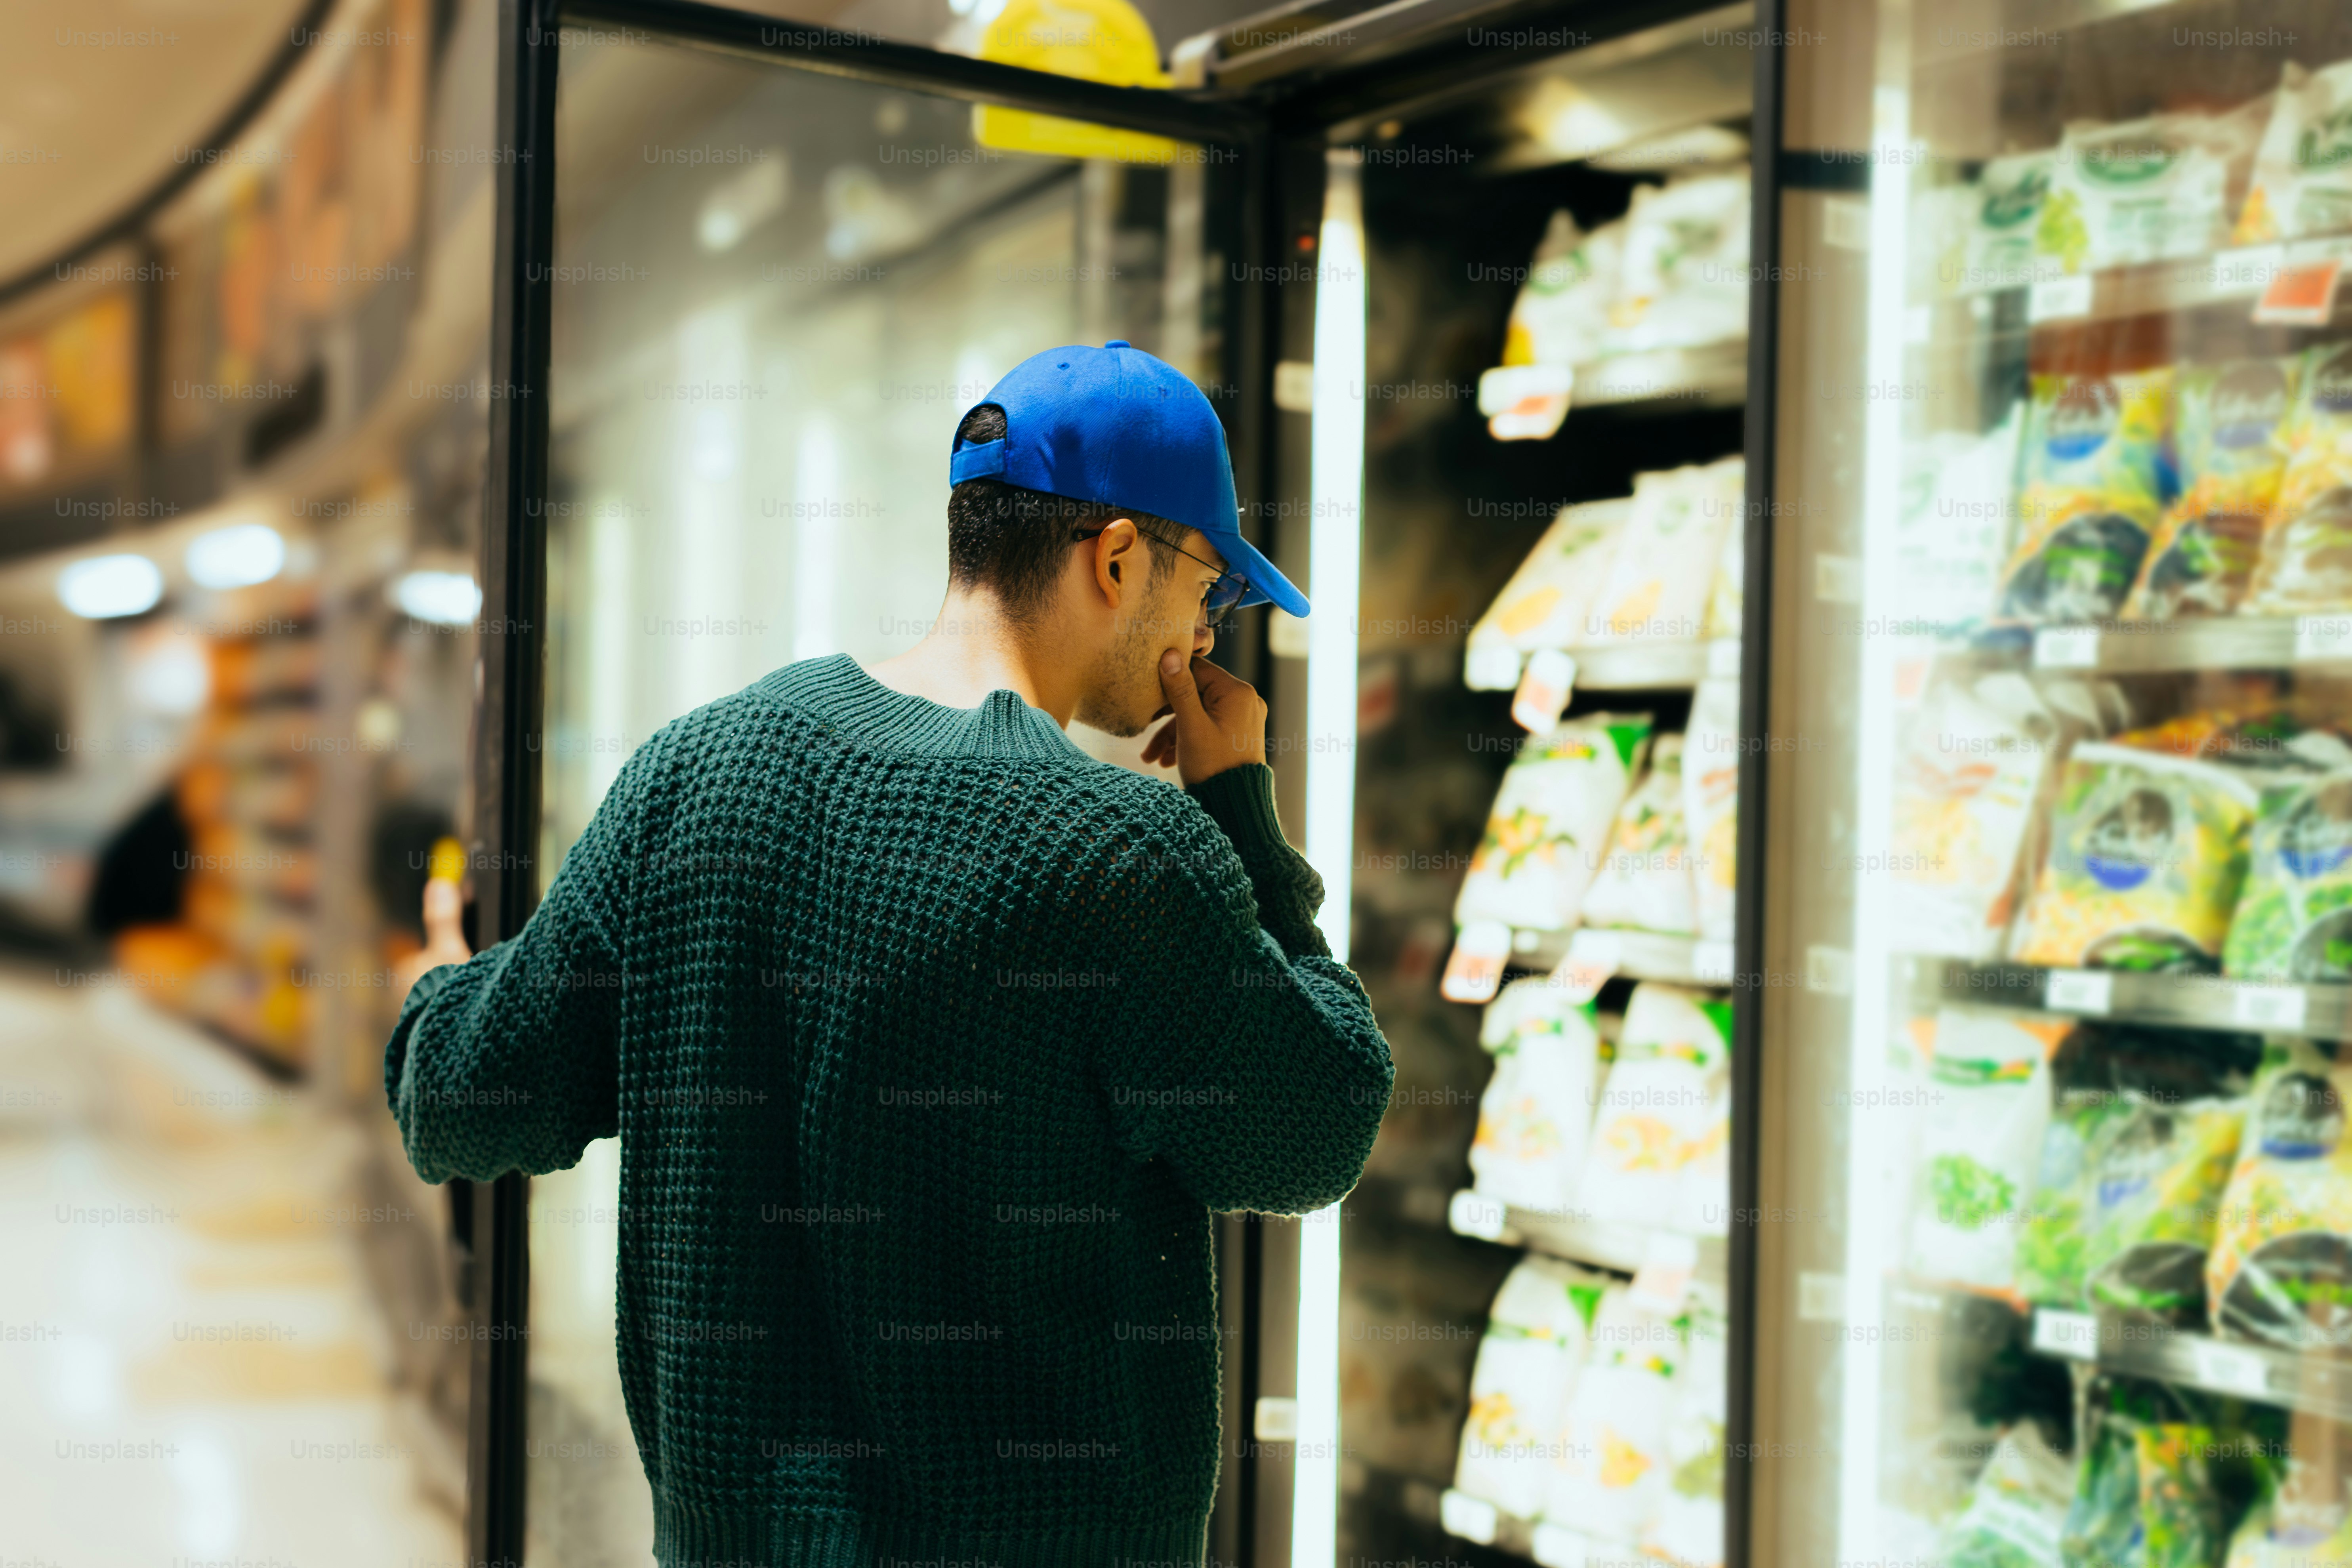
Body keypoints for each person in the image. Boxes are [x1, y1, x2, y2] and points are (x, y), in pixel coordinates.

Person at [385, 340, 1394, 1566]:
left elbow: (464, 1097)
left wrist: (433, 991)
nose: (1206, 629)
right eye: (1210, 587)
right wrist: (1241, 812)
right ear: (1117, 558)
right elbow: (1317, 1128)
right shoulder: (1122, 849)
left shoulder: (696, 768)